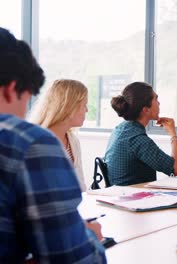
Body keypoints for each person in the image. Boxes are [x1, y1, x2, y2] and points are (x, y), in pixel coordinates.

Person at [0, 27, 106, 263]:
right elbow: (73, 259)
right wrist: (88, 237)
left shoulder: (66, 140)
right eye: (27, 99)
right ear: (11, 89)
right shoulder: (30, 143)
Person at [105, 82, 177, 185]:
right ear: (146, 110)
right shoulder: (137, 139)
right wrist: (173, 134)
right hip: (132, 198)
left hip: (119, 196)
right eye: (156, 99)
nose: (159, 103)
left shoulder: (120, 129)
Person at [30, 79, 89, 191]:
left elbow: (81, 187)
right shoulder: (36, 141)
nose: (87, 110)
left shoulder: (73, 140)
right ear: (69, 107)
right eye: (84, 105)